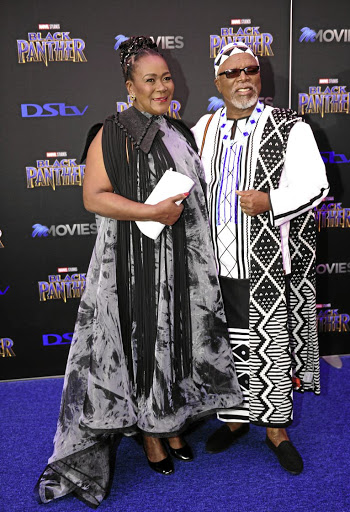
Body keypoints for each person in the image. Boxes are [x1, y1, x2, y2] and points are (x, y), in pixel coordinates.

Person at [35, 36, 242, 508]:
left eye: (166, 77)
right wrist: (147, 213)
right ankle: (150, 434)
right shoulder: (112, 131)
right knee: (145, 343)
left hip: (181, 262)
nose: (162, 86)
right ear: (130, 87)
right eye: (150, 80)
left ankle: (170, 424)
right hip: (134, 261)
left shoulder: (179, 131)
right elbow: (93, 197)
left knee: (174, 340)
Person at [192, 42, 329, 475]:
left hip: (266, 263)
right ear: (219, 83)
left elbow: (317, 186)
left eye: (250, 70)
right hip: (215, 267)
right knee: (225, 345)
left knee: (271, 349)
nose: (244, 78)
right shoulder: (204, 129)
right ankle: (232, 420)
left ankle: (275, 430)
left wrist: (271, 200)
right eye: (233, 73)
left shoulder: (290, 127)